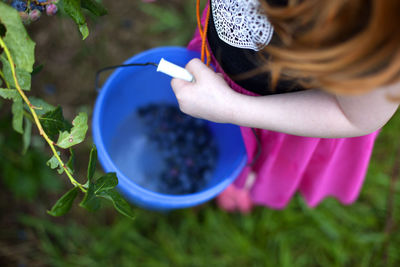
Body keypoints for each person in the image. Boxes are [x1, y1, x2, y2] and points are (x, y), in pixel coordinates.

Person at [170, 0, 400, 212]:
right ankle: (235, 171)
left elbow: (354, 116)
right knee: (218, 135)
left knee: (258, 156)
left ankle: (244, 180)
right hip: (220, 64)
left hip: (290, 115)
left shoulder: (378, 17)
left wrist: (233, 108)